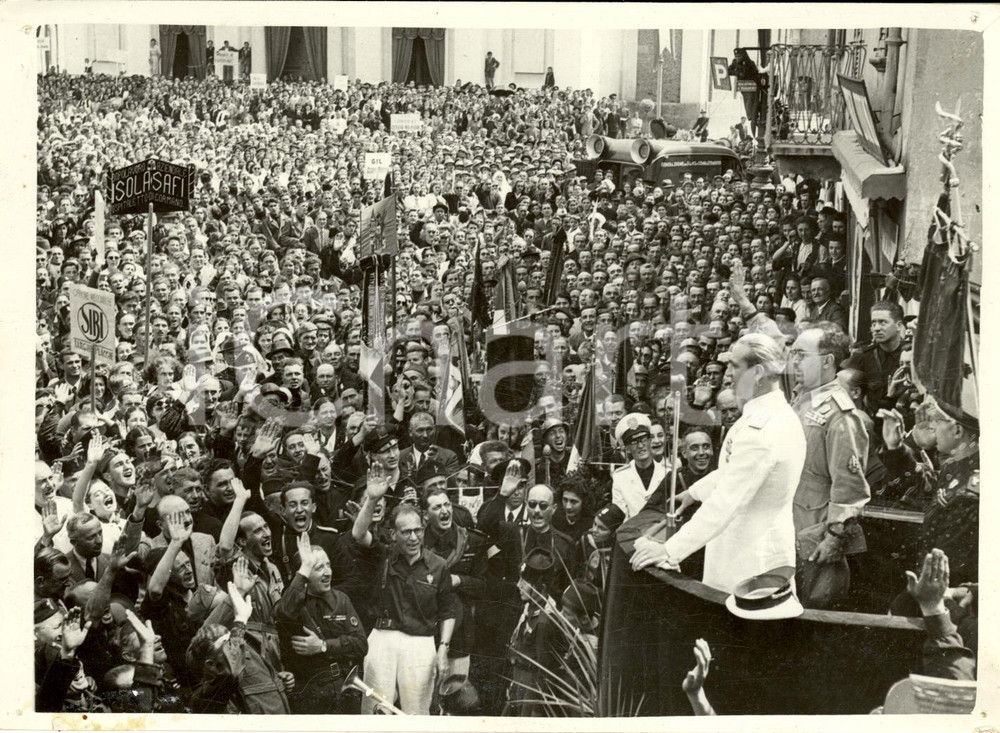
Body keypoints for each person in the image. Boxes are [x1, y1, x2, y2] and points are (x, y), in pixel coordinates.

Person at [631, 333, 807, 595]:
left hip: (749, 563)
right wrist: (693, 493)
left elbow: (727, 500)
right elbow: (731, 470)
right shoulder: (764, 415)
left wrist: (669, 550)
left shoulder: (763, 429)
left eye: (735, 366)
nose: (729, 373)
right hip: (745, 552)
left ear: (757, 373)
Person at [352, 471, 458, 715]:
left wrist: (443, 648)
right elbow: (358, 534)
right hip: (383, 638)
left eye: (417, 531)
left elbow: (448, 610)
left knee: (417, 713)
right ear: (393, 534)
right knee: (375, 711)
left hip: (420, 642)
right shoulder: (384, 554)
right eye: (406, 532)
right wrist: (371, 499)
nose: (413, 537)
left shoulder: (438, 565)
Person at [788, 323, 870, 606]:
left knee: (813, 607)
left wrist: (835, 537)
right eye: (793, 353)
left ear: (827, 361)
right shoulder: (801, 399)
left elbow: (850, 488)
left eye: (801, 354)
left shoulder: (840, 414)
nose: (794, 361)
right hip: (791, 519)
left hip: (816, 530)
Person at [273, 534, 368, 713]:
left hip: (342, 687)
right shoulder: (292, 601)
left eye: (328, 565)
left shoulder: (341, 599)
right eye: (318, 568)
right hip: (309, 692)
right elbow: (283, 613)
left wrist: (323, 646)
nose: (327, 572)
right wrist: (305, 567)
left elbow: (361, 644)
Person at [611, 412, 667, 519]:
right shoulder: (620, 477)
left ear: (650, 441)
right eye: (634, 442)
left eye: (644, 439)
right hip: (633, 532)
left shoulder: (667, 471)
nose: (641, 446)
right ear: (627, 448)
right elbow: (621, 515)